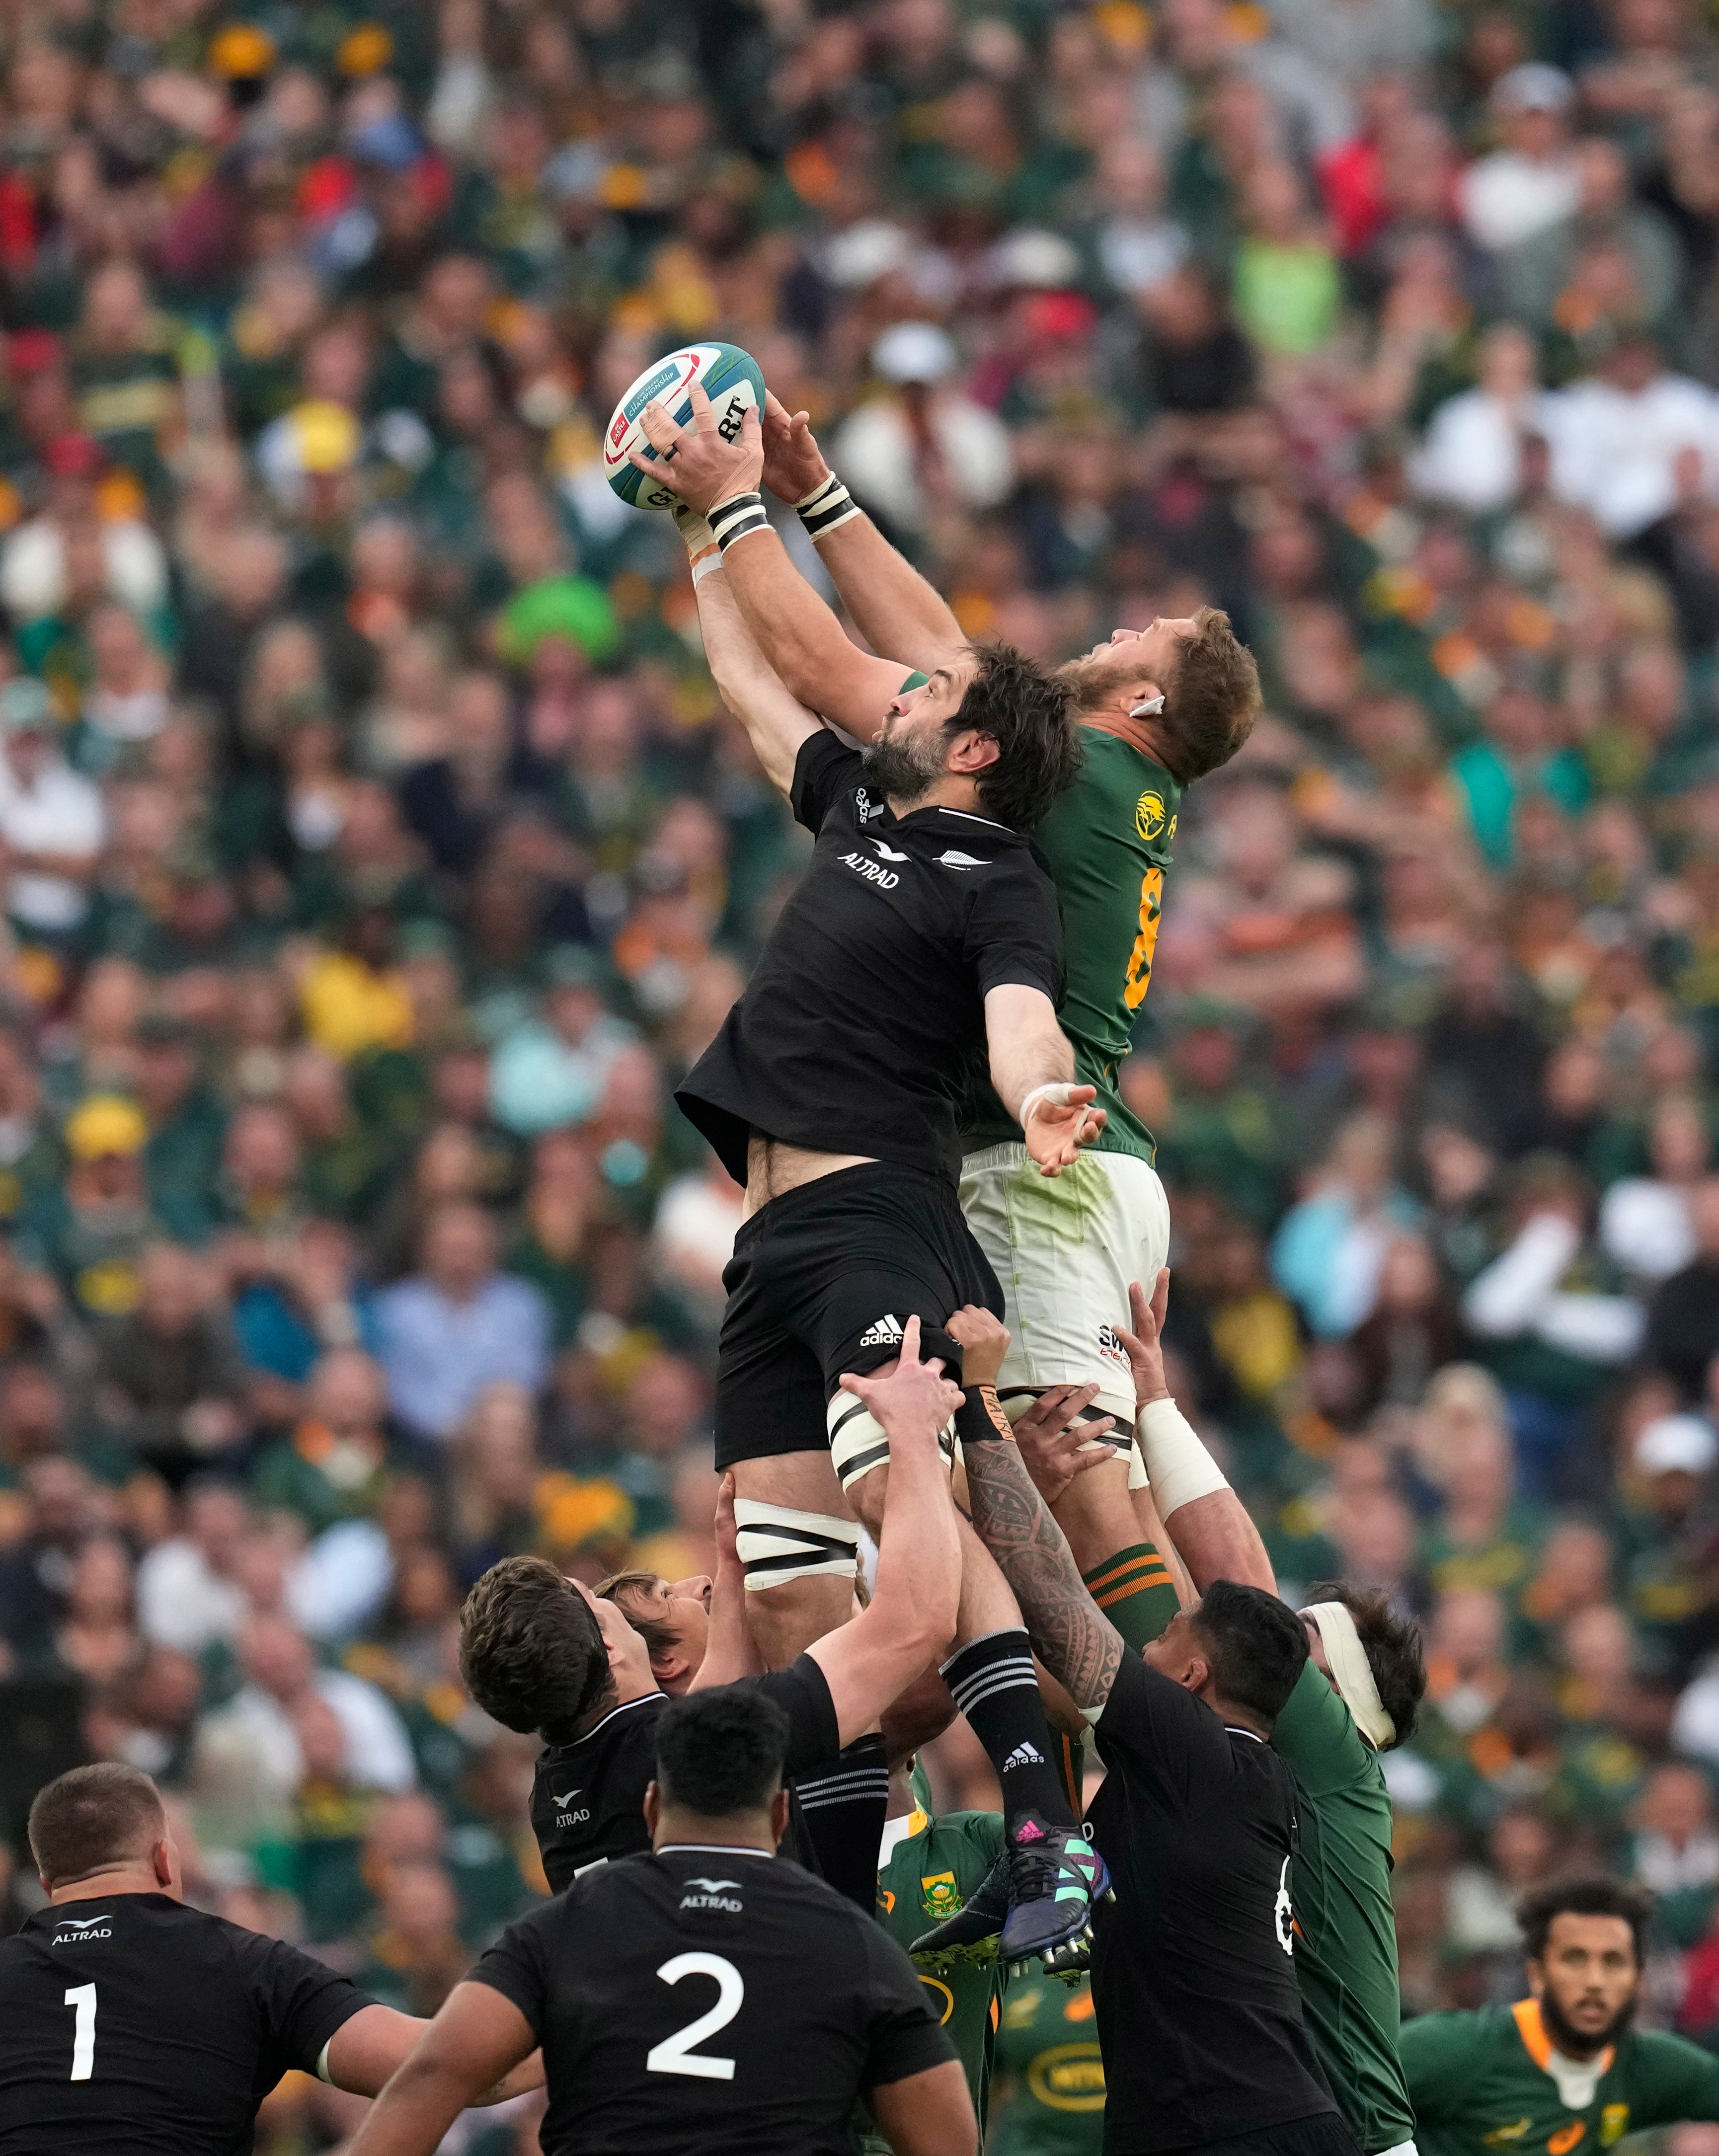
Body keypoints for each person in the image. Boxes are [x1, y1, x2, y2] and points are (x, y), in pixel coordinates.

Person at [647, 375, 1258, 1680]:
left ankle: (1178, 1755)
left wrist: (730, 508)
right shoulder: (1092, 783)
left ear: (1145, 706)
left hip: (1035, 1161)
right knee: (1031, 1478)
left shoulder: (1072, 773)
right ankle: (1137, 1732)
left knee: (1071, 1484)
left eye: (1138, 638)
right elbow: (941, 665)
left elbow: (832, 672)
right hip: (1088, 1165)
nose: (1117, 624)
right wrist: (817, 496)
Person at [633, 384, 1109, 1963]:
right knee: (781, 1591)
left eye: (926, 686)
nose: (892, 688)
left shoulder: (1000, 878)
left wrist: (1041, 1100)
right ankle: (835, 1915)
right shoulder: (859, 812)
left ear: (969, 743)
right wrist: (704, 533)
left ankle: (1049, 1835)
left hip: (874, 1213)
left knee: (900, 1491)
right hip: (769, 1248)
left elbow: (1022, 1027)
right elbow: (749, 689)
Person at [996, 1281, 1426, 2156]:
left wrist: (1146, 1403)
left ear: (1336, 1698)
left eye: (1301, 1641)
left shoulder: (1331, 1769)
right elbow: (1120, 1638)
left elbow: (1227, 1581)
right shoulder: (1249, 1771)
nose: (1271, 1635)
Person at [342, 1686, 976, 2156]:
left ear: (651, 1805)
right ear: (782, 1814)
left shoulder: (569, 1924)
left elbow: (432, 2073)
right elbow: (947, 2140)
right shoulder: (853, 1943)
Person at [457, 1320, 961, 1906]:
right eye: (597, 1599)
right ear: (616, 1646)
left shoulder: (555, 1791)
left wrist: (730, 1561)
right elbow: (919, 1623)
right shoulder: (698, 1745)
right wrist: (916, 1436)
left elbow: (700, 1706)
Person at [0, 1762, 534, 2152]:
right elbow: (442, 2064)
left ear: (48, 1883)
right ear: (165, 1860)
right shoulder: (243, 1960)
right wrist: (580, 2022)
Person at [1403, 1877, 1719, 2156]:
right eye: (1575, 1959)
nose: (1595, 1981)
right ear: (1537, 1975)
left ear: (1638, 1980)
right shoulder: (1459, 2049)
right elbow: (1355, 2088)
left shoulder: (1645, 2066)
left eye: (1613, 1962)